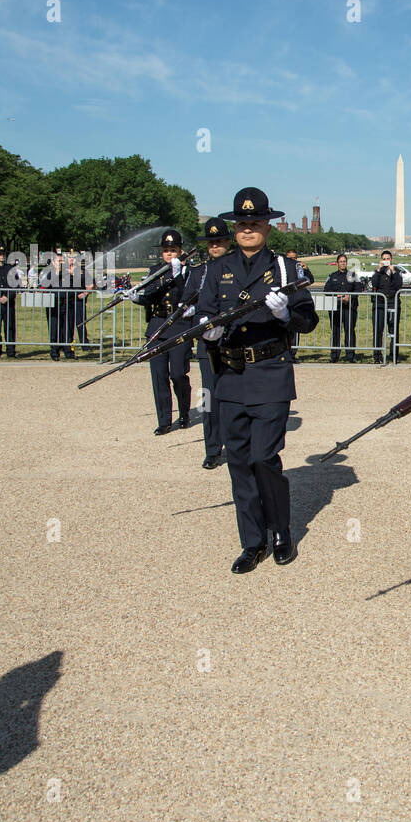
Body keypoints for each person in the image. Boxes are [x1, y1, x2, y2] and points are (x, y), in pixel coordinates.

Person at [196, 186, 318, 574]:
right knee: (239, 462)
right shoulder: (217, 268)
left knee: (265, 458)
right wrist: (206, 330)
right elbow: (204, 312)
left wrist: (285, 317)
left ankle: (280, 530)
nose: (247, 229)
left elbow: (308, 321)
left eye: (254, 222)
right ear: (235, 228)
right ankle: (252, 541)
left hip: (269, 373)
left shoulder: (286, 268)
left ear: (268, 225)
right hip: (230, 376)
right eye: (241, 223)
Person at [126, 229, 193, 434]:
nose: (169, 254)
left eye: (173, 250)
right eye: (166, 251)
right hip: (157, 325)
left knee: (178, 373)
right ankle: (164, 420)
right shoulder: (155, 271)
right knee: (158, 375)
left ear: (180, 251)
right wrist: (136, 297)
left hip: (180, 325)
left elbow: (188, 296)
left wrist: (178, 276)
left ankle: (184, 412)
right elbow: (151, 297)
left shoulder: (189, 272)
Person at [188, 219, 232, 467]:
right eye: (210, 242)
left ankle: (234, 443)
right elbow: (188, 306)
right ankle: (212, 449)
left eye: (219, 241)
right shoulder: (198, 273)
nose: (215, 246)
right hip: (208, 346)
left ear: (228, 242)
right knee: (208, 400)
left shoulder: (237, 269)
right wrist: (200, 320)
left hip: (233, 342)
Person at [322, 253, 359, 362]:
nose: (343, 263)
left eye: (344, 261)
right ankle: (334, 356)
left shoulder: (352, 275)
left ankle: (350, 356)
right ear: (337, 263)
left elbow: (358, 290)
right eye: (341, 261)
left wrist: (350, 297)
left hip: (349, 308)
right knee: (335, 331)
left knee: (349, 331)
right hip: (335, 308)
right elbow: (326, 291)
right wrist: (336, 295)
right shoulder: (332, 276)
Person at [371, 250, 402, 363]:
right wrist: (379, 270)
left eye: (387, 259)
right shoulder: (378, 272)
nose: (386, 261)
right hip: (379, 303)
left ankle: (394, 355)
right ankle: (377, 356)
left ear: (391, 259)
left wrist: (393, 271)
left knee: (394, 330)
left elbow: (399, 285)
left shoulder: (396, 271)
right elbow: (374, 284)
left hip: (393, 302)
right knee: (378, 331)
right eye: (384, 259)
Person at [285, 249, 313, 363]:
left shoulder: (299, 270)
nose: (293, 260)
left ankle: (292, 354)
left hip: (296, 303)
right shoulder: (283, 269)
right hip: (285, 303)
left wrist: (306, 270)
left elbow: (310, 280)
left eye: (295, 258)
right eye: (290, 258)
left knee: (295, 330)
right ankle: (285, 354)